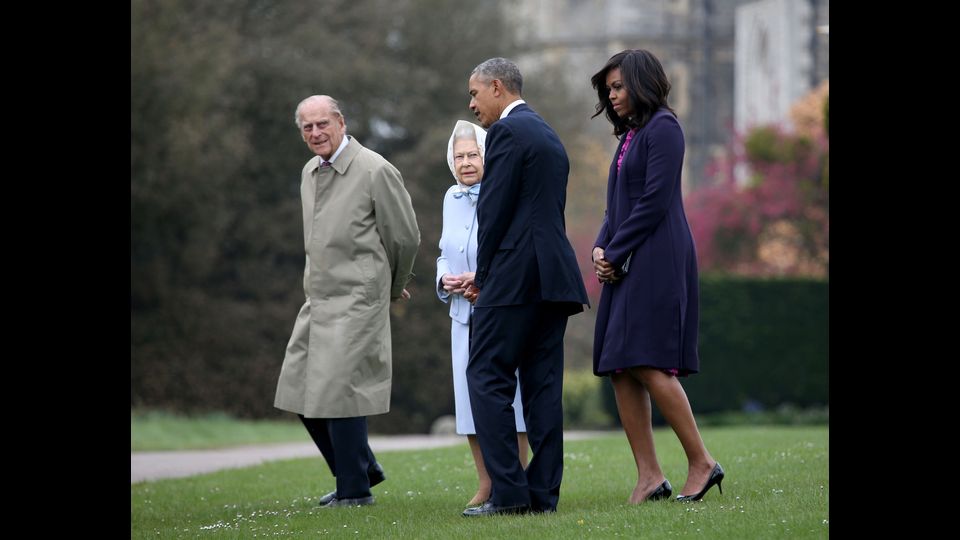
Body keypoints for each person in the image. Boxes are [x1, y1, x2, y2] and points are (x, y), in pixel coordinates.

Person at [589, 49, 724, 504]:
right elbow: (618, 205)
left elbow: (653, 200)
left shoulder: (665, 128)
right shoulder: (630, 135)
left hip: (657, 257)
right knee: (620, 368)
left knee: (646, 360)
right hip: (627, 257)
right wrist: (600, 246)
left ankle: (702, 463)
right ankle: (650, 477)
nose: (612, 96)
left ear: (642, 83)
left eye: (618, 87)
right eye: (608, 90)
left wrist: (616, 250)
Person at [274, 95, 420, 508]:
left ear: (340, 122)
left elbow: (405, 236)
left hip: (359, 298)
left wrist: (393, 284)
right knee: (298, 388)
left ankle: (354, 490)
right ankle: (363, 468)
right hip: (317, 299)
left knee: (341, 391)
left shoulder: (375, 169)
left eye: (323, 124)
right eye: (307, 128)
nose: (316, 133)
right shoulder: (308, 171)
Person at [460, 58, 589, 517]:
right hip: (553, 280)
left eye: (475, 94)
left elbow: (493, 214)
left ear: (497, 88)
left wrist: (485, 275)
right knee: (542, 387)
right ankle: (542, 495)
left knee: (486, 376)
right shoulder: (547, 132)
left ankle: (510, 495)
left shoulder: (507, 133)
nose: (472, 104)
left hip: (515, 278)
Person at [435, 120, 529, 508]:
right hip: (463, 316)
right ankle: (487, 483)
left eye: (473, 154)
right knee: (470, 401)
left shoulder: (501, 194)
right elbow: (444, 250)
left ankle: (516, 480)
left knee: (512, 400)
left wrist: (482, 280)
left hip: (499, 310)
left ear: (487, 156)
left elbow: (511, 255)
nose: (466, 162)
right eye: (459, 156)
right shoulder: (450, 198)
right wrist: (444, 280)